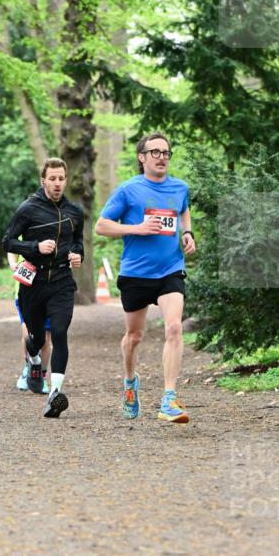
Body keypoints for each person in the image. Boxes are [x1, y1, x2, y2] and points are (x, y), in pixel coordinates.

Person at [95, 132, 196, 423]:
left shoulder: (180, 187)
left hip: (170, 269)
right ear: (142, 157)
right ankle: (130, 383)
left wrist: (187, 232)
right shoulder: (128, 190)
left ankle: (169, 399)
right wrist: (137, 228)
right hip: (136, 273)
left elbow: (183, 211)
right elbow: (102, 226)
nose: (162, 157)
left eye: (166, 152)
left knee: (174, 327)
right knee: (134, 337)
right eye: (155, 152)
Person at [2, 158, 83, 418]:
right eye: (52, 179)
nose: (57, 183)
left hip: (62, 281)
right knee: (37, 338)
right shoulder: (28, 209)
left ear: (66, 180)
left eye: (61, 179)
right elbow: (7, 242)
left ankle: (54, 394)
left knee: (59, 332)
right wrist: (34, 247)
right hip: (34, 283)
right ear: (43, 180)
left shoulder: (74, 212)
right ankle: (34, 359)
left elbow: (78, 242)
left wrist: (77, 255)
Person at [7, 252, 52, 393]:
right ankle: (29, 368)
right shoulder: (23, 236)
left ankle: (41, 377)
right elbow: (11, 249)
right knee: (27, 332)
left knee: (46, 338)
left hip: (50, 292)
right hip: (25, 291)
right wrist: (13, 263)